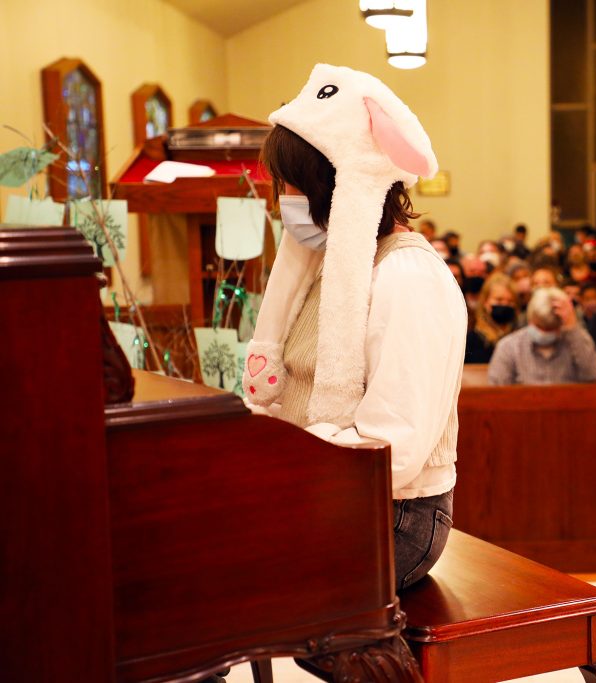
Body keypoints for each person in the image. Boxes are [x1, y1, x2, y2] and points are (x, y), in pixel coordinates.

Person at [244, 65, 465, 592]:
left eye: (292, 183)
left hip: (397, 518)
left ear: (337, 184)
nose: (284, 198)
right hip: (326, 490)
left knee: (213, 573)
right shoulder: (335, 263)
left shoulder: (408, 276)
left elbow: (393, 449)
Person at [488, 287, 596, 385]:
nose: (544, 333)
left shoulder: (574, 340)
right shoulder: (509, 346)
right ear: (530, 318)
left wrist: (572, 328)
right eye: (540, 327)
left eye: (550, 329)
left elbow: (594, 375)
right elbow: (496, 391)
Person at [466, 273, 518, 363]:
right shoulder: (472, 340)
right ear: (485, 302)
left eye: (510, 301)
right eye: (499, 300)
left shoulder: (519, 337)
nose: (505, 304)